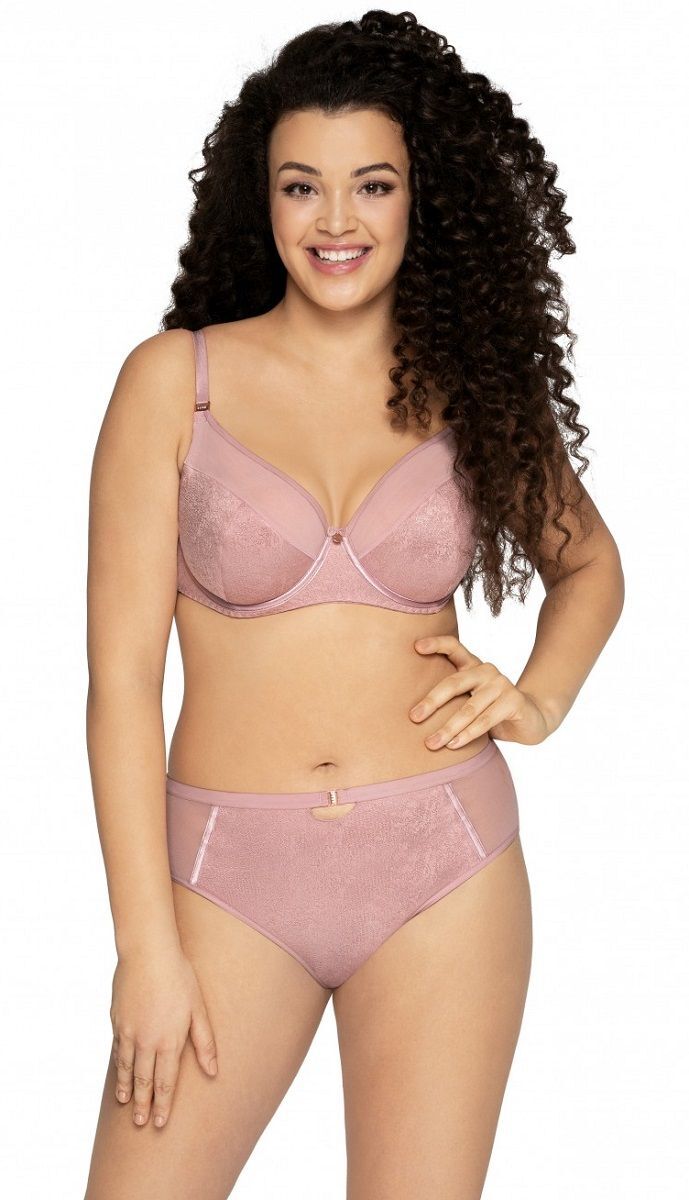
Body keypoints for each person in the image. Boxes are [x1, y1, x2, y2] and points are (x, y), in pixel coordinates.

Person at [83, 10, 624, 1198]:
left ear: (419, 198)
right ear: (262, 198)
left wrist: (537, 699)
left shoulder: (468, 389)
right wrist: (144, 951)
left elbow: (589, 565)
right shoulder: (174, 383)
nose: (335, 222)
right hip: (225, 877)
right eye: (302, 186)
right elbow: (120, 686)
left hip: (444, 866)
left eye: (370, 185)